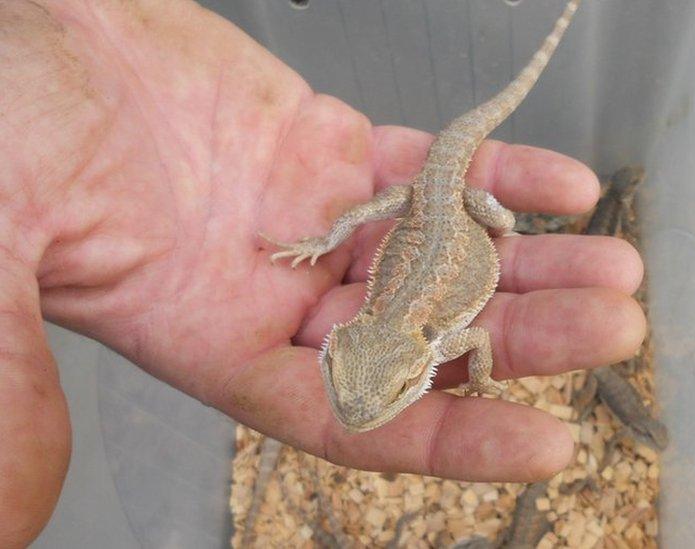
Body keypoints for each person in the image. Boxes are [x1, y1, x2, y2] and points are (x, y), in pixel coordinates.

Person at [0, 1, 646, 545]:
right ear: (343, 340)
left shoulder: (441, 340)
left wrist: (492, 250)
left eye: (381, 394)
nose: (353, 409)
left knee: (496, 213)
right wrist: (330, 241)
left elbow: (479, 341)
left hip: (450, 206)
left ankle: (494, 198)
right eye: (345, 384)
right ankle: (341, 232)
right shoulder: (361, 326)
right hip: (420, 201)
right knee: (430, 207)